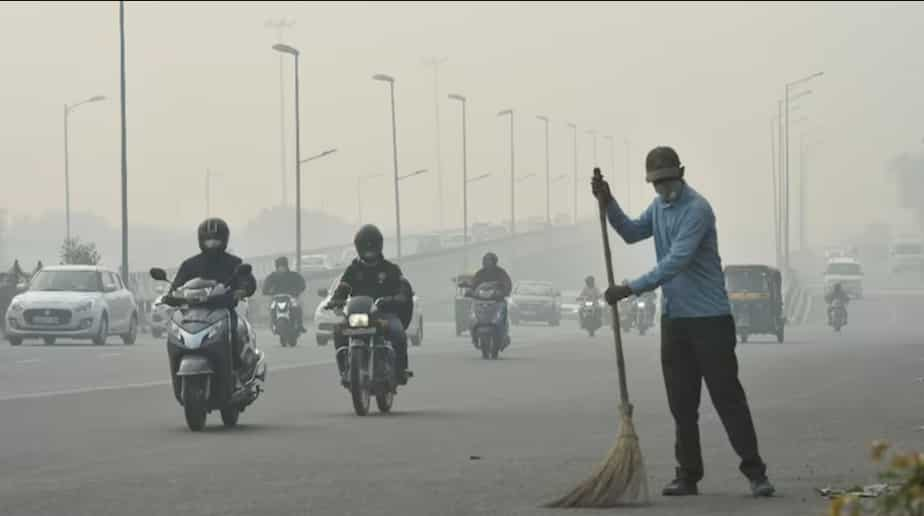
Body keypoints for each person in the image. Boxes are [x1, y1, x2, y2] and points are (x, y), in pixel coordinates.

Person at [592, 146, 774, 498]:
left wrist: (629, 288)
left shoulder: (697, 210)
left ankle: (755, 472)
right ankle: (688, 474)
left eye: (666, 181)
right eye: (655, 184)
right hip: (675, 320)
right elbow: (630, 232)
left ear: (681, 173)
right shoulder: (659, 207)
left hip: (710, 320)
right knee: (682, 403)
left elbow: (676, 261)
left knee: (727, 397)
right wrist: (609, 202)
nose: (662, 190)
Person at [326, 224, 413, 385]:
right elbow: (343, 287)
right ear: (358, 247)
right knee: (338, 331)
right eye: (365, 246)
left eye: (372, 246)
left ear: (379, 246)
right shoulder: (353, 269)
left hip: (384, 313)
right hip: (357, 314)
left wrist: (400, 296)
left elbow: (402, 286)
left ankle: (401, 370)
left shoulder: (390, 269)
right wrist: (335, 300)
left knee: (398, 332)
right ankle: (345, 369)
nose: (369, 250)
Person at [170, 218, 257, 371]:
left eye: (216, 240)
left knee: (236, 334)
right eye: (208, 240)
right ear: (200, 240)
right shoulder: (189, 264)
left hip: (223, 311)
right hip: (192, 313)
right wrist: (170, 295)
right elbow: (176, 285)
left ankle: (240, 370)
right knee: (175, 337)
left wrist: (242, 290)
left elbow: (247, 280)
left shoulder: (234, 262)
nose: (212, 244)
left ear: (224, 240)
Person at [262, 256, 307, 333]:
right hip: (276, 298)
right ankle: (273, 324)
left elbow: (302, 284)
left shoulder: (293, 275)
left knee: (297, 307)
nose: (282, 268)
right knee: (272, 307)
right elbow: (266, 286)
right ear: (277, 267)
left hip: (291, 297)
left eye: (283, 266)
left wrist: (297, 291)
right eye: (280, 266)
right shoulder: (272, 276)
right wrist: (266, 291)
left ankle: (299, 325)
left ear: (287, 266)